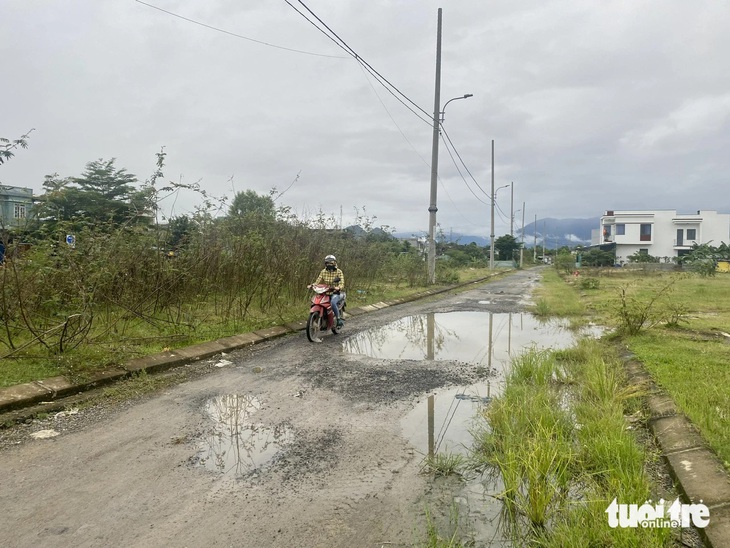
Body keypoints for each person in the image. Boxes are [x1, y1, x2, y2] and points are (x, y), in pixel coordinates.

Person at [309, 254, 345, 328]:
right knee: (316, 300)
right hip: (325, 292)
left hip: (335, 293)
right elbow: (318, 280)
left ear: (334, 263)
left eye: (331, 262)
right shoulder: (323, 271)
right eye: (327, 262)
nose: (329, 264)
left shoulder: (339, 272)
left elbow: (342, 283)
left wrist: (338, 287)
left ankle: (338, 319)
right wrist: (312, 285)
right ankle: (318, 317)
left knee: (332, 302)